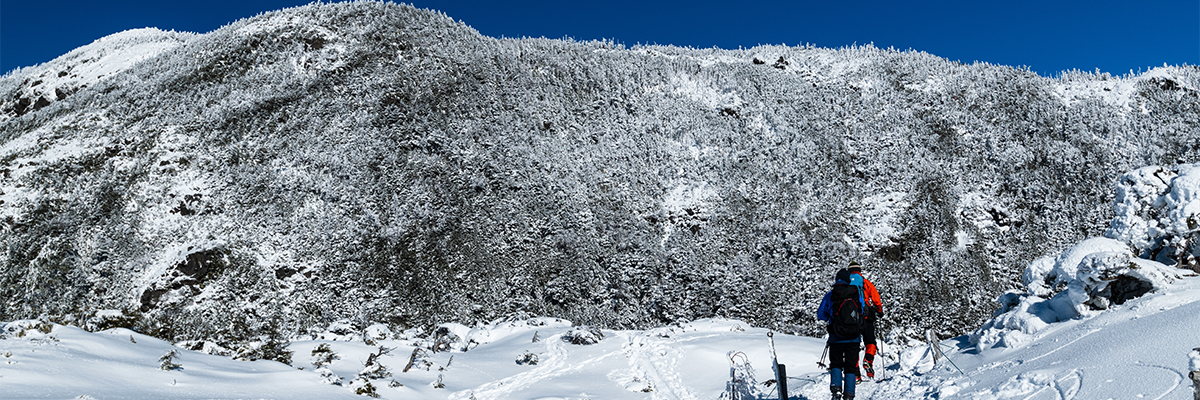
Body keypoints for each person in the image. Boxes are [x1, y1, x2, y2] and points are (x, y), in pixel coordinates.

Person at [817, 269, 864, 400]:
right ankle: (849, 394)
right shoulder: (855, 294)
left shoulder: (830, 295)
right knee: (850, 367)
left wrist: (830, 317)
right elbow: (862, 311)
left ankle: (836, 390)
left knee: (836, 364)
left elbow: (821, 315)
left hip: (836, 337)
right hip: (853, 338)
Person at [847, 261, 884, 380]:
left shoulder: (845, 284)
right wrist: (879, 310)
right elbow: (876, 298)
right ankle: (868, 359)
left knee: (853, 345)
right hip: (866, 317)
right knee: (870, 341)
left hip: (851, 320)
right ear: (859, 270)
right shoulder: (865, 283)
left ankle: (856, 374)